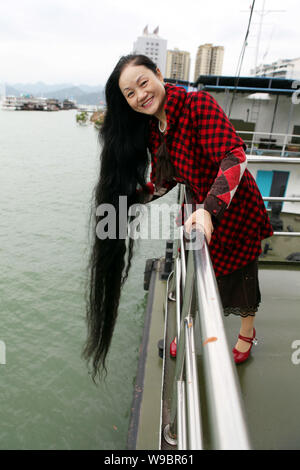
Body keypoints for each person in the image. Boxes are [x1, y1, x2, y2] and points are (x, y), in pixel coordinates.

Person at [83, 54, 273, 380]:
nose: (140, 95)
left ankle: (247, 332)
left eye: (143, 83)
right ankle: (188, 327)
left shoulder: (197, 105)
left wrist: (209, 210)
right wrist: (136, 198)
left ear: (158, 74)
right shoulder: (155, 129)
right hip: (197, 213)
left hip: (233, 208)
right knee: (195, 278)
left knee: (243, 277)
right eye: (130, 93)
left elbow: (234, 156)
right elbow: (167, 178)